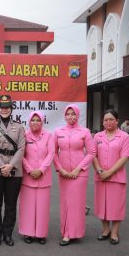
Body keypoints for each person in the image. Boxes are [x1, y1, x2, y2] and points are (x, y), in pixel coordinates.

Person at [0, 95, 25, 246]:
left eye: (7, 107)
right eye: (2, 107)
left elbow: (22, 148)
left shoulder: (19, 127)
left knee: (10, 204)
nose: (4, 109)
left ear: (11, 108)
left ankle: (7, 234)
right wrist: (2, 166)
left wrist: (11, 166)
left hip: (14, 170)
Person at [53, 104, 95, 246]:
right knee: (66, 203)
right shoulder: (58, 131)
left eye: (73, 114)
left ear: (78, 115)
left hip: (79, 173)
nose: (71, 117)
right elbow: (53, 152)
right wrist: (60, 169)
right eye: (68, 114)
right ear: (64, 116)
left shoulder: (85, 131)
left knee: (77, 203)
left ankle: (74, 233)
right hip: (64, 173)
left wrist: (79, 169)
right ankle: (66, 232)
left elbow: (91, 153)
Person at [93, 109, 129, 245]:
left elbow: (125, 157)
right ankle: (105, 230)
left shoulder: (124, 137)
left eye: (111, 119)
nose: (108, 122)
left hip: (117, 177)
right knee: (102, 204)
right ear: (102, 122)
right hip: (100, 176)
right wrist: (99, 170)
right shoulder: (97, 137)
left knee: (116, 206)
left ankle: (114, 232)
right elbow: (93, 155)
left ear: (117, 121)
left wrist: (109, 172)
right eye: (105, 120)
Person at [19, 111, 54, 245]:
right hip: (28, 176)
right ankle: (27, 232)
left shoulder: (49, 136)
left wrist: (41, 170)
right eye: (32, 120)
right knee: (27, 206)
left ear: (42, 122)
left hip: (43, 176)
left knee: (42, 207)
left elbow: (51, 153)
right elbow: (20, 154)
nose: (35, 122)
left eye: (38, 120)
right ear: (29, 121)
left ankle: (41, 234)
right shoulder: (24, 135)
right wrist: (29, 170)